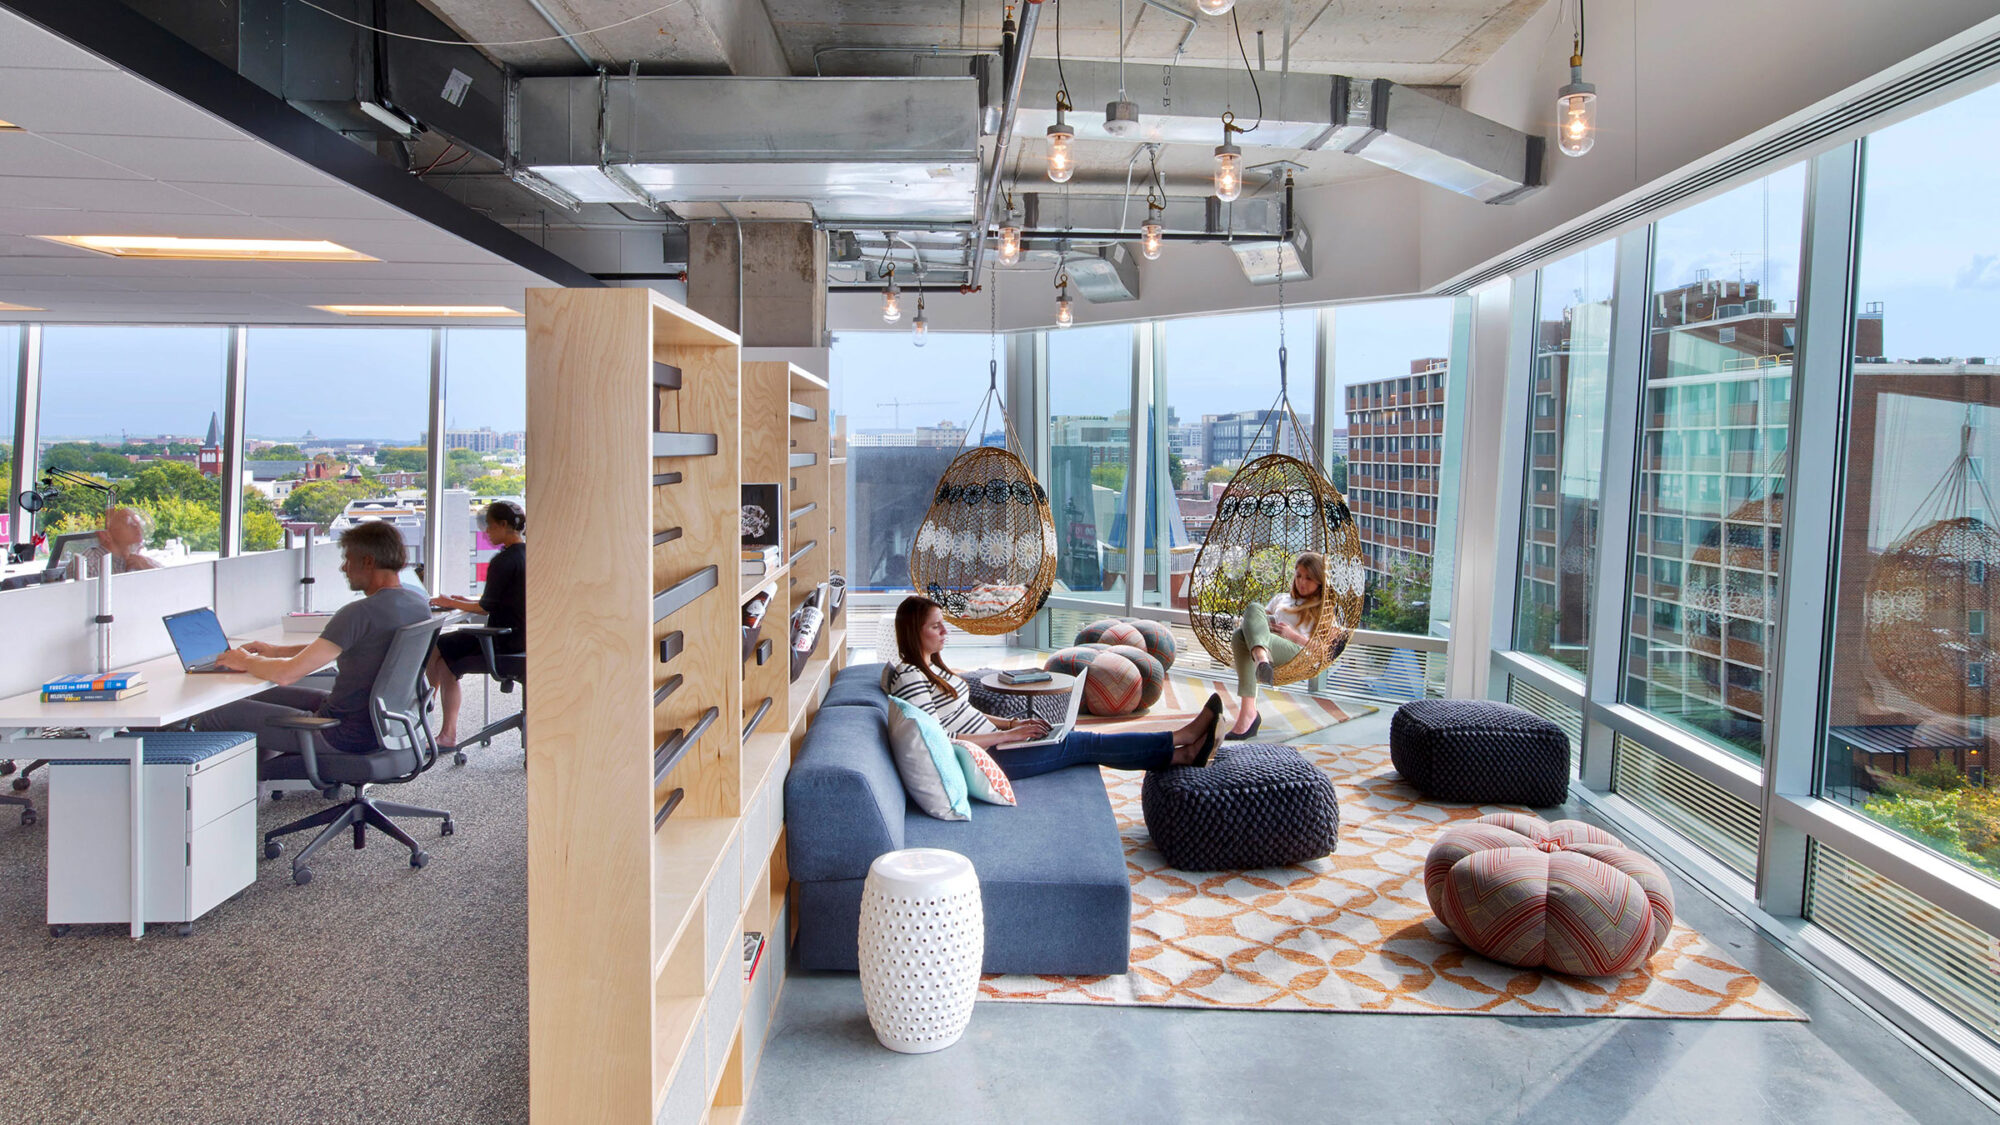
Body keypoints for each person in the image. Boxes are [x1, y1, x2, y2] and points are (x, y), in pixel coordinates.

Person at [886, 595, 1223, 779]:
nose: (945, 631)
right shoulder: (911, 676)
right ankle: (1182, 746)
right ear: (914, 632)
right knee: (1086, 743)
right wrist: (1005, 737)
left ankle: (1182, 749)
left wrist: (1011, 724)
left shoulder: (930, 669)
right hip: (990, 759)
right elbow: (938, 741)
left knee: (1079, 739)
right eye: (935, 627)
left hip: (999, 744)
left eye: (944, 624)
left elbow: (965, 714)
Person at [193, 521, 431, 771]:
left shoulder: (359, 613)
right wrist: (276, 652)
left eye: (348, 559)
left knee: (216, 714)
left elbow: (286, 675)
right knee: (258, 696)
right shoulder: (417, 604)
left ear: (368, 562)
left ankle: (242, 797)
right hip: (385, 724)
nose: (343, 567)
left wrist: (245, 661)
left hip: (342, 734)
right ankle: (260, 780)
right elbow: (341, 647)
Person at [426, 500, 526, 747]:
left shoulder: (503, 561)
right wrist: (461, 601)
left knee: (436, 647)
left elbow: (485, 607)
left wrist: (450, 603)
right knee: (446, 661)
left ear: (504, 525)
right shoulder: (528, 555)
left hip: (503, 641)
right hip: (524, 637)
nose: (487, 533)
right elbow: (503, 599)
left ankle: (427, 707)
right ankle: (439, 722)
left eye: (490, 527)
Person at [1226, 552, 1327, 741]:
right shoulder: (1281, 598)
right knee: (1252, 610)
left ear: (1319, 581)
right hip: (1270, 644)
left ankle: (1250, 710)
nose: (1301, 582)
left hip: (1298, 653)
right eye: (1298, 576)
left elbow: (1325, 650)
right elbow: (1256, 620)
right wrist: (1261, 626)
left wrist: (1293, 636)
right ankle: (1261, 662)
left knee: (1242, 637)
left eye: (1308, 578)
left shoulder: (1324, 608)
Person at [62, 506, 160, 580]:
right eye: (129, 522)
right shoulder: (87, 565)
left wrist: (150, 568)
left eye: (138, 522)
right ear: (109, 532)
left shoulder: (139, 561)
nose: (137, 526)